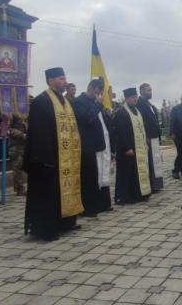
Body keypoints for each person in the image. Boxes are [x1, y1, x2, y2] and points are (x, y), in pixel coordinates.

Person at [24, 67, 83, 241]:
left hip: (65, 157)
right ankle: (46, 229)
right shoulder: (41, 101)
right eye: (61, 79)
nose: (65, 82)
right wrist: (44, 159)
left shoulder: (65, 102)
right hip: (47, 159)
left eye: (65, 78)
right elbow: (38, 134)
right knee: (48, 194)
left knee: (63, 191)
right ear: (50, 81)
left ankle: (66, 222)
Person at [72, 79, 107, 217]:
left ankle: (95, 205)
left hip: (96, 147)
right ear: (90, 88)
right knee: (87, 179)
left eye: (100, 93)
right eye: (97, 92)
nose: (98, 96)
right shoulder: (78, 102)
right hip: (86, 147)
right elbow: (87, 119)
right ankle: (87, 208)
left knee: (95, 177)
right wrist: (98, 104)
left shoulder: (93, 102)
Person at [112, 88, 151, 204]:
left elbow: (141, 129)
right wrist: (127, 148)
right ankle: (123, 197)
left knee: (136, 173)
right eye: (133, 97)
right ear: (127, 98)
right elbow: (121, 132)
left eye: (136, 97)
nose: (135, 99)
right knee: (126, 174)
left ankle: (138, 194)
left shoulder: (137, 111)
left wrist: (145, 144)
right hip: (127, 150)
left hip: (138, 148)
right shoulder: (121, 112)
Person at [137, 83, 163, 192]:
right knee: (150, 163)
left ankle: (157, 184)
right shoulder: (139, 104)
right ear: (142, 91)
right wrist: (145, 136)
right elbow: (141, 122)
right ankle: (152, 185)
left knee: (156, 161)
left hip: (154, 137)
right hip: (148, 138)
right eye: (148, 90)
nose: (150, 92)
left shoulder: (150, 104)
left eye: (150, 90)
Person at [8, 113, 27, 196]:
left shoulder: (27, 111)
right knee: (17, 167)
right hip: (16, 145)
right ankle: (20, 188)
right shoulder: (11, 113)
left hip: (27, 144)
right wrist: (21, 134)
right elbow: (8, 128)